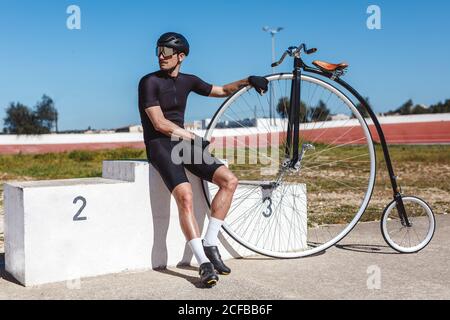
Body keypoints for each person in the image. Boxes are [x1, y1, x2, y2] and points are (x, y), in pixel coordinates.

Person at [138, 32, 268, 288]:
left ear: (181, 56)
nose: (160, 56)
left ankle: (210, 242)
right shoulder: (148, 82)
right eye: (158, 50)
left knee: (229, 180)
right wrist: (192, 136)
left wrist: (249, 80)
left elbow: (220, 90)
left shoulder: (189, 81)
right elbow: (159, 123)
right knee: (185, 195)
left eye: (166, 52)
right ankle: (203, 264)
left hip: (183, 143)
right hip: (159, 144)